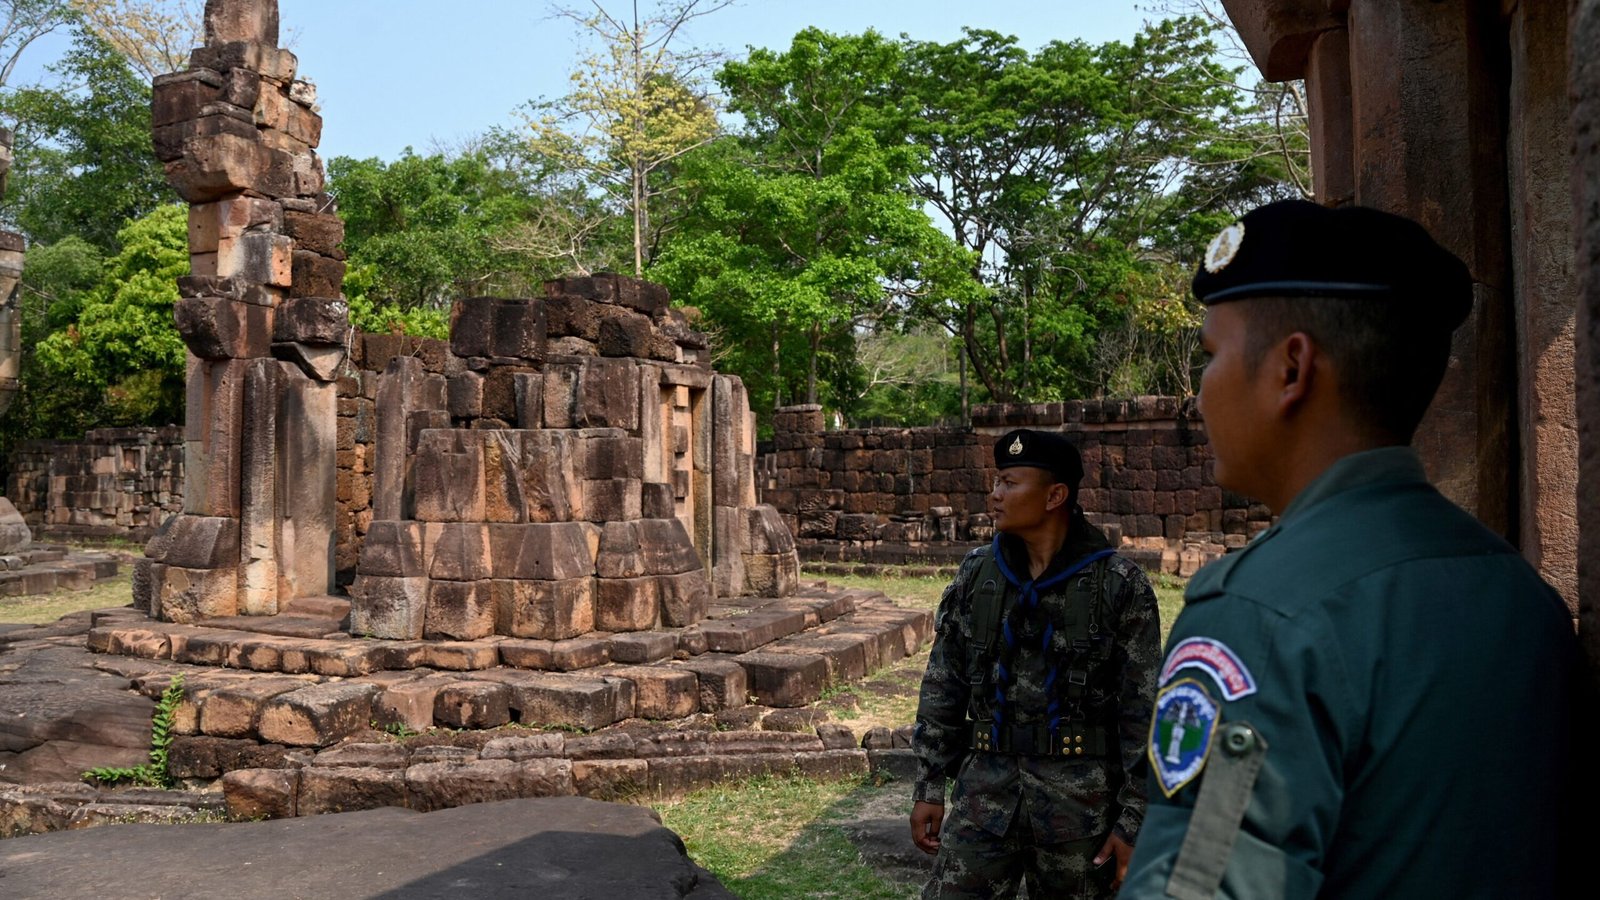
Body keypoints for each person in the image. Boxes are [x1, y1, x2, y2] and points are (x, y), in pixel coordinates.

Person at [1121, 199, 1595, 898]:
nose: (1198, 397)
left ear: (1292, 369)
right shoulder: (1519, 594)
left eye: (1211, 357)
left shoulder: (1261, 616)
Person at [911, 428, 1162, 898]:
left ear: (1055, 496)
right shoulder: (978, 575)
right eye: (996, 481)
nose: (994, 494)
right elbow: (943, 683)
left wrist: (1134, 820)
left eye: (1009, 483)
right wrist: (928, 784)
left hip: (1081, 811)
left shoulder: (1119, 585)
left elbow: (1143, 713)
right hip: (984, 801)